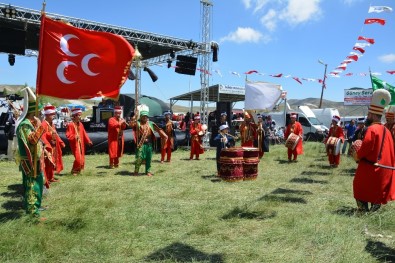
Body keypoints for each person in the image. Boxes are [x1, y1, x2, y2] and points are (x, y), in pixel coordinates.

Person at [353, 89, 395, 213]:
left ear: (371, 115)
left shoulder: (371, 129)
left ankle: (363, 211)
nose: (367, 116)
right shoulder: (386, 130)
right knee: (376, 193)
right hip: (384, 170)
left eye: (368, 114)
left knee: (359, 187)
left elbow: (364, 150)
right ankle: (374, 212)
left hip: (371, 169)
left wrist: (357, 155)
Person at [15, 87, 46, 218]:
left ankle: (35, 209)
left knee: (37, 183)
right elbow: (32, 141)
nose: (39, 114)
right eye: (37, 112)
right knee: (33, 186)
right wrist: (40, 126)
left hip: (34, 160)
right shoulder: (25, 124)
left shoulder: (28, 123)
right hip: (29, 161)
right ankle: (33, 214)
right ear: (33, 111)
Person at [130, 105, 164, 176]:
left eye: (146, 116)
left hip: (149, 144)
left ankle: (148, 171)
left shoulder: (151, 124)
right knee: (139, 157)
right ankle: (136, 171)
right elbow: (131, 124)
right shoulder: (138, 123)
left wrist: (164, 136)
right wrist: (135, 116)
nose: (145, 117)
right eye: (143, 116)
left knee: (149, 158)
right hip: (141, 144)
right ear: (141, 116)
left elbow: (158, 130)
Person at [41, 104, 65, 186]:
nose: (53, 116)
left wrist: (61, 142)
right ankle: (47, 178)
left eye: (54, 114)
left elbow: (56, 135)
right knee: (48, 163)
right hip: (48, 147)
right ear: (47, 115)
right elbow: (42, 136)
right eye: (52, 114)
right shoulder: (43, 124)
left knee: (52, 162)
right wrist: (47, 144)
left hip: (54, 146)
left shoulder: (52, 124)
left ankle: (51, 177)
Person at [66, 108, 93, 176]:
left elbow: (84, 133)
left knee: (82, 157)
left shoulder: (80, 124)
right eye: (78, 115)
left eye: (80, 115)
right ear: (74, 116)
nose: (80, 117)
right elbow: (68, 135)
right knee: (78, 158)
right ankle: (74, 170)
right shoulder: (71, 125)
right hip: (75, 144)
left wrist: (88, 141)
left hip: (81, 144)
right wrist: (74, 136)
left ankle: (78, 169)